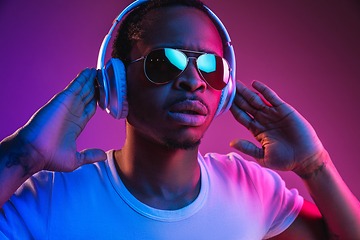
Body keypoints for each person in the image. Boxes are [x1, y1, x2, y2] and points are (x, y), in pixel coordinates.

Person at [0, 0, 359, 239]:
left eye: (210, 66)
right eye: (165, 61)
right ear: (116, 82)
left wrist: (315, 165)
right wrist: (23, 155)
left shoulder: (252, 187)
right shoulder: (48, 198)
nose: (193, 80)